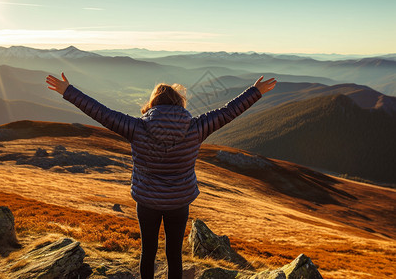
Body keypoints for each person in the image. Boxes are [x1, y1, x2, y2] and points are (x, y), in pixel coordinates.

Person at [46, 73, 276, 279]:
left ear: (152, 104)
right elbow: (228, 112)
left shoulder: (136, 128)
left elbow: (101, 113)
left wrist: (69, 91)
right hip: (179, 202)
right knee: (174, 254)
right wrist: (255, 92)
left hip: (147, 201)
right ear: (180, 104)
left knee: (148, 252)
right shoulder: (196, 128)